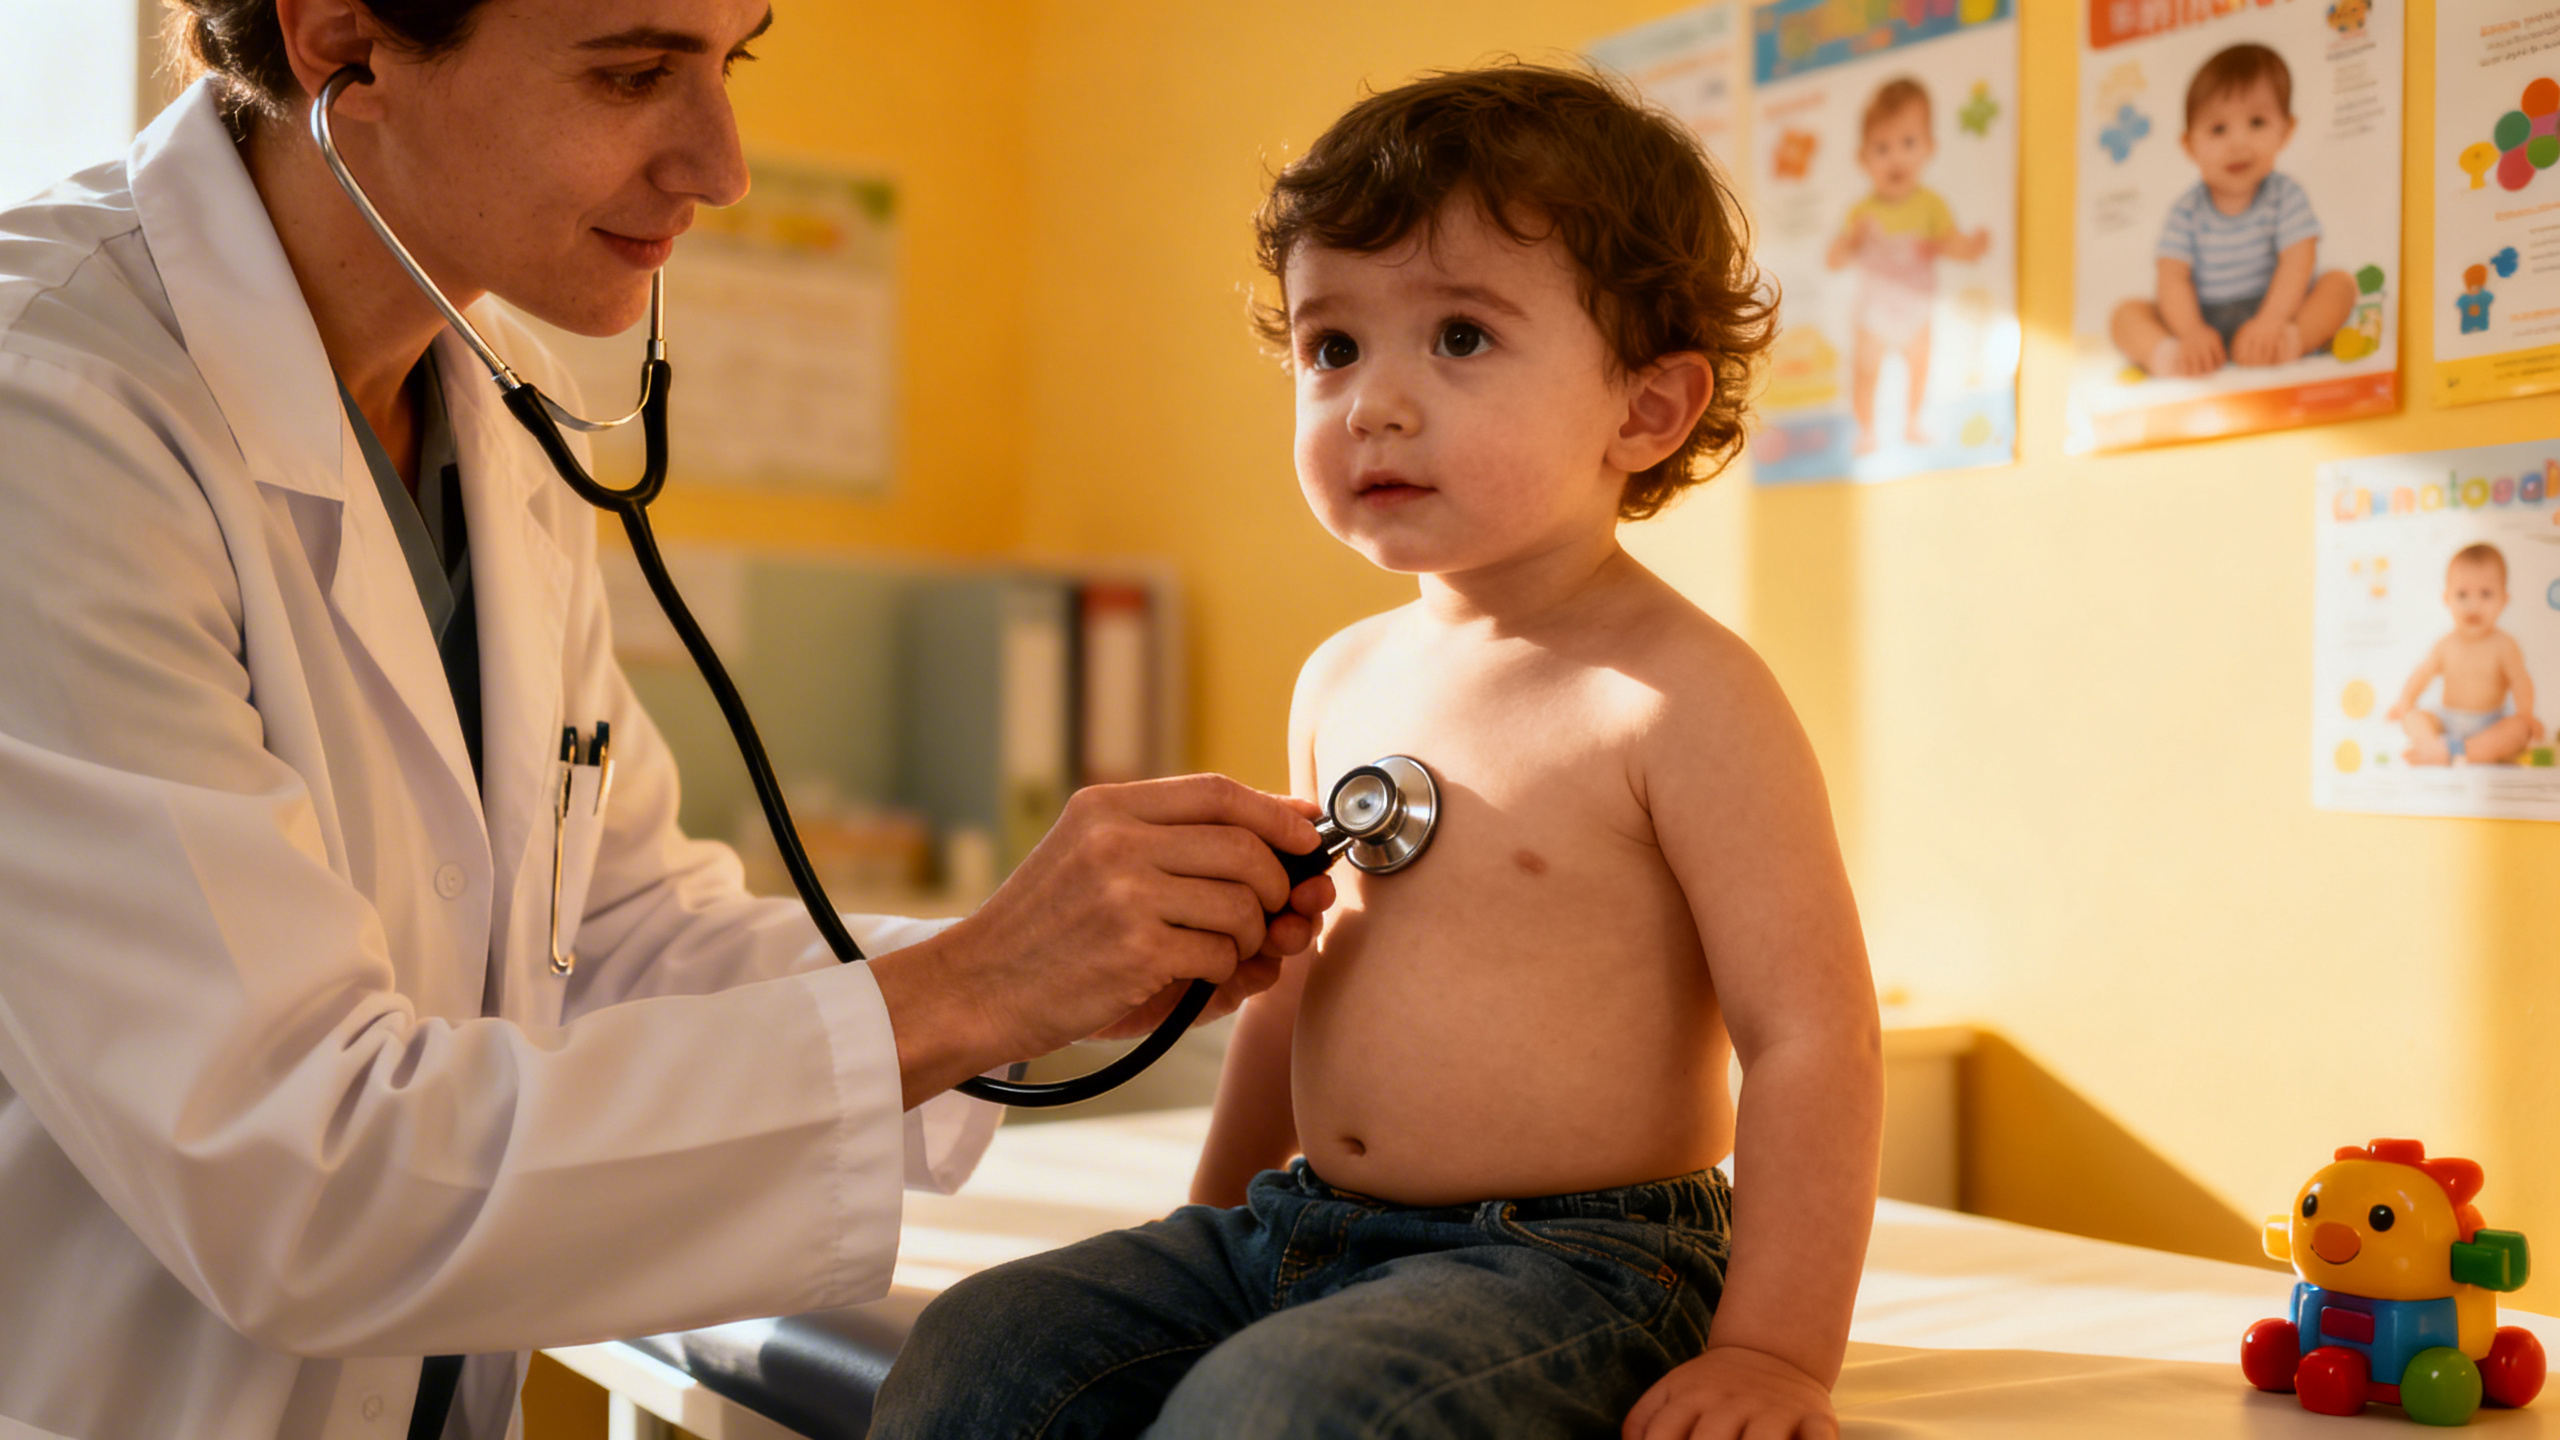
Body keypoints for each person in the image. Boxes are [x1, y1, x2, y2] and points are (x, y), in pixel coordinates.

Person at [0, 2, 1333, 1436]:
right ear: (346, 43)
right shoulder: (54, 409)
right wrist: (978, 990)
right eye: (634, 73)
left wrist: (1031, 969)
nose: (722, 161)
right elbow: (290, 1172)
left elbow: (617, 944)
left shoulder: (490, 404)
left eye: (731, 61)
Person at [869, 65, 1883, 1440]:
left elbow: (1812, 1035)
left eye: (1459, 337)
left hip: (1578, 1262)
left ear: (1644, 410)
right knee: (985, 1349)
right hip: (1303, 1226)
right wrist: (1212, 1227)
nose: (1374, 404)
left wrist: (1774, 1354)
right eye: (1331, 346)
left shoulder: (1679, 696)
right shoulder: (1341, 676)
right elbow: (1295, 990)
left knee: (1275, 1411)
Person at [2110, 43, 2357, 378]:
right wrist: (2190, 332)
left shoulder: (2285, 195)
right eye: (2218, 129)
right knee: (2126, 314)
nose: (2237, 143)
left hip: (2277, 308)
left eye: (2257, 122)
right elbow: (2173, 278)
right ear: (2189, 145)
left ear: (2286, 130)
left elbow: (2298, 261)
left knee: (2339, 284)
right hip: (2202, 320)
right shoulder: (2186, 211)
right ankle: (2174, 357)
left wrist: (2273, 320)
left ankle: (2290, 341)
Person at [1824, 77, 1988, 455]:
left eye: (1908, 143)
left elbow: (1953, 245)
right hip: (1874, 312)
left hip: (1916, 308)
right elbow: (1835, 261)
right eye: (1882, 147)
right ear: (1863, 158)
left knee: (1920, 364)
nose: (1895, 157)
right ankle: (1866, 428)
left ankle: (1913, 420)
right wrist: (1852, 240)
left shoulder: (1931, 206)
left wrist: (1972, 247)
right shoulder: (1862, 213)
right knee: (1866, 370)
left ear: (1929, 148)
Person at [2389, 544, 2543, 766]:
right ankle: (2435, 747)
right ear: (2447, 599)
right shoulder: (2445, 644)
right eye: (2462, 594)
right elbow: (2422, 674)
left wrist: (2526, 714)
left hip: (2490, 723)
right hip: (2447, 720)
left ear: (2504, 600)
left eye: (2486, 594)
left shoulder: (2504, 645)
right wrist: (2405, 701)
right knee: (2413, 718)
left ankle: (2457, 751)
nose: (2473, 605)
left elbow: (2520, 680)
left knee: (2518, 729)